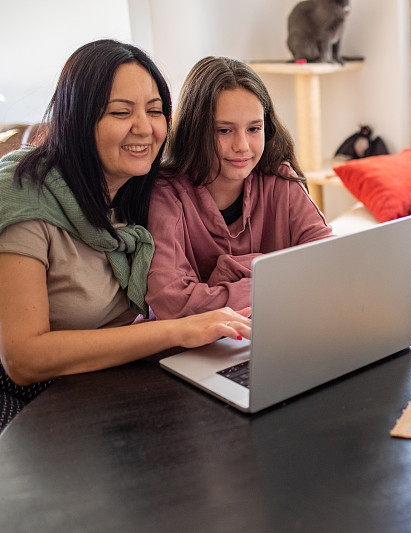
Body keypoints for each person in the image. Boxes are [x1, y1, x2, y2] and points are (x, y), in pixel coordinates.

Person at [0, 41, 252, 402]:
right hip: (30, 402)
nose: (144, 128)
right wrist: (175, 330)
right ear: (78, 119)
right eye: (120, 113)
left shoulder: (140, 189)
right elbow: (23, 360)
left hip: (107, 381)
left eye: (154, 110)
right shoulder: (21, 195)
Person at [145, 57, 332, 319]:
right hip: (199, 352)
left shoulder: (281, 180)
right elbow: (173, 303)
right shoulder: (166, 194)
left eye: (254, 128)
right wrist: (275, 280)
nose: (242, 145)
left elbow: (330, 263)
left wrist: (227, 273)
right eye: (224, 130)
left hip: (278, 331)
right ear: (194, 131)